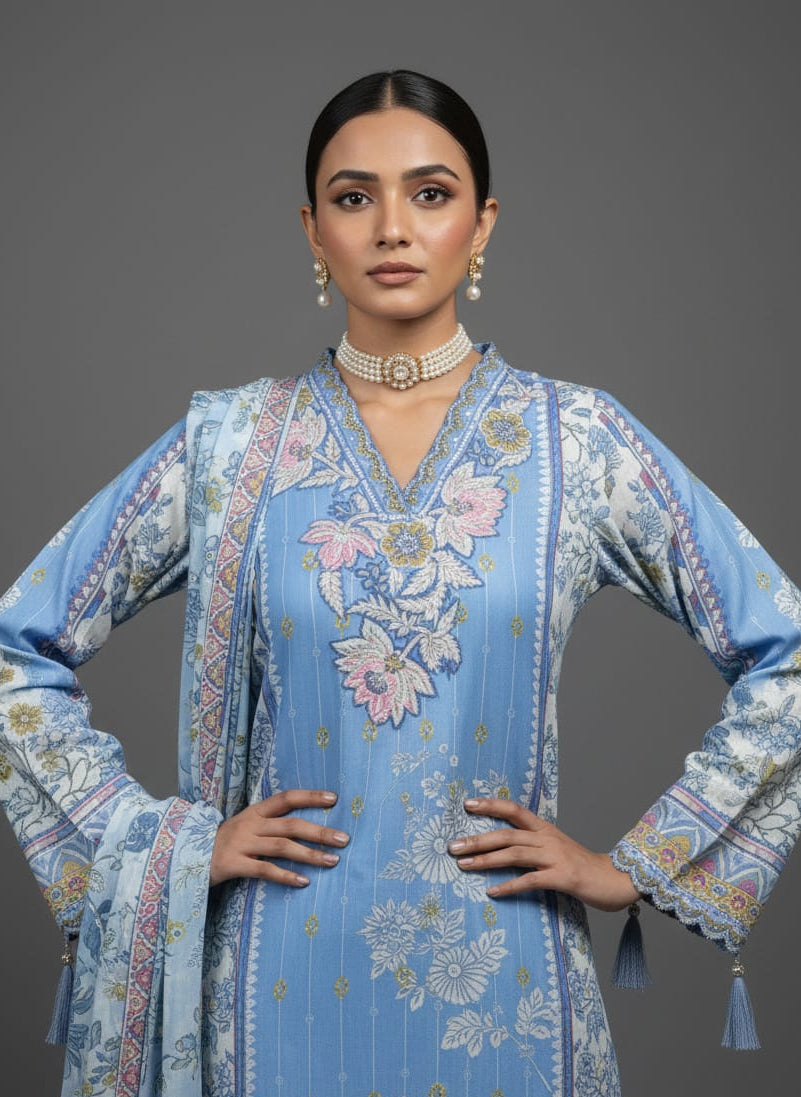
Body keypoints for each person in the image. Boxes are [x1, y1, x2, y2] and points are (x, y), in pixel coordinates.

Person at [1, 69, 800, 1097]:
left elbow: (784, 655)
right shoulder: (231, 446)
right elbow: (17, 650)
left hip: (510, 991)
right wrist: (177, 848)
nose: (392, 227)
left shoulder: (576, 442)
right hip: (271, 996)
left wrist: (637, 864)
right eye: (353, 196)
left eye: (430, 193)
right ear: (312, 230)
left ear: (483, 222)